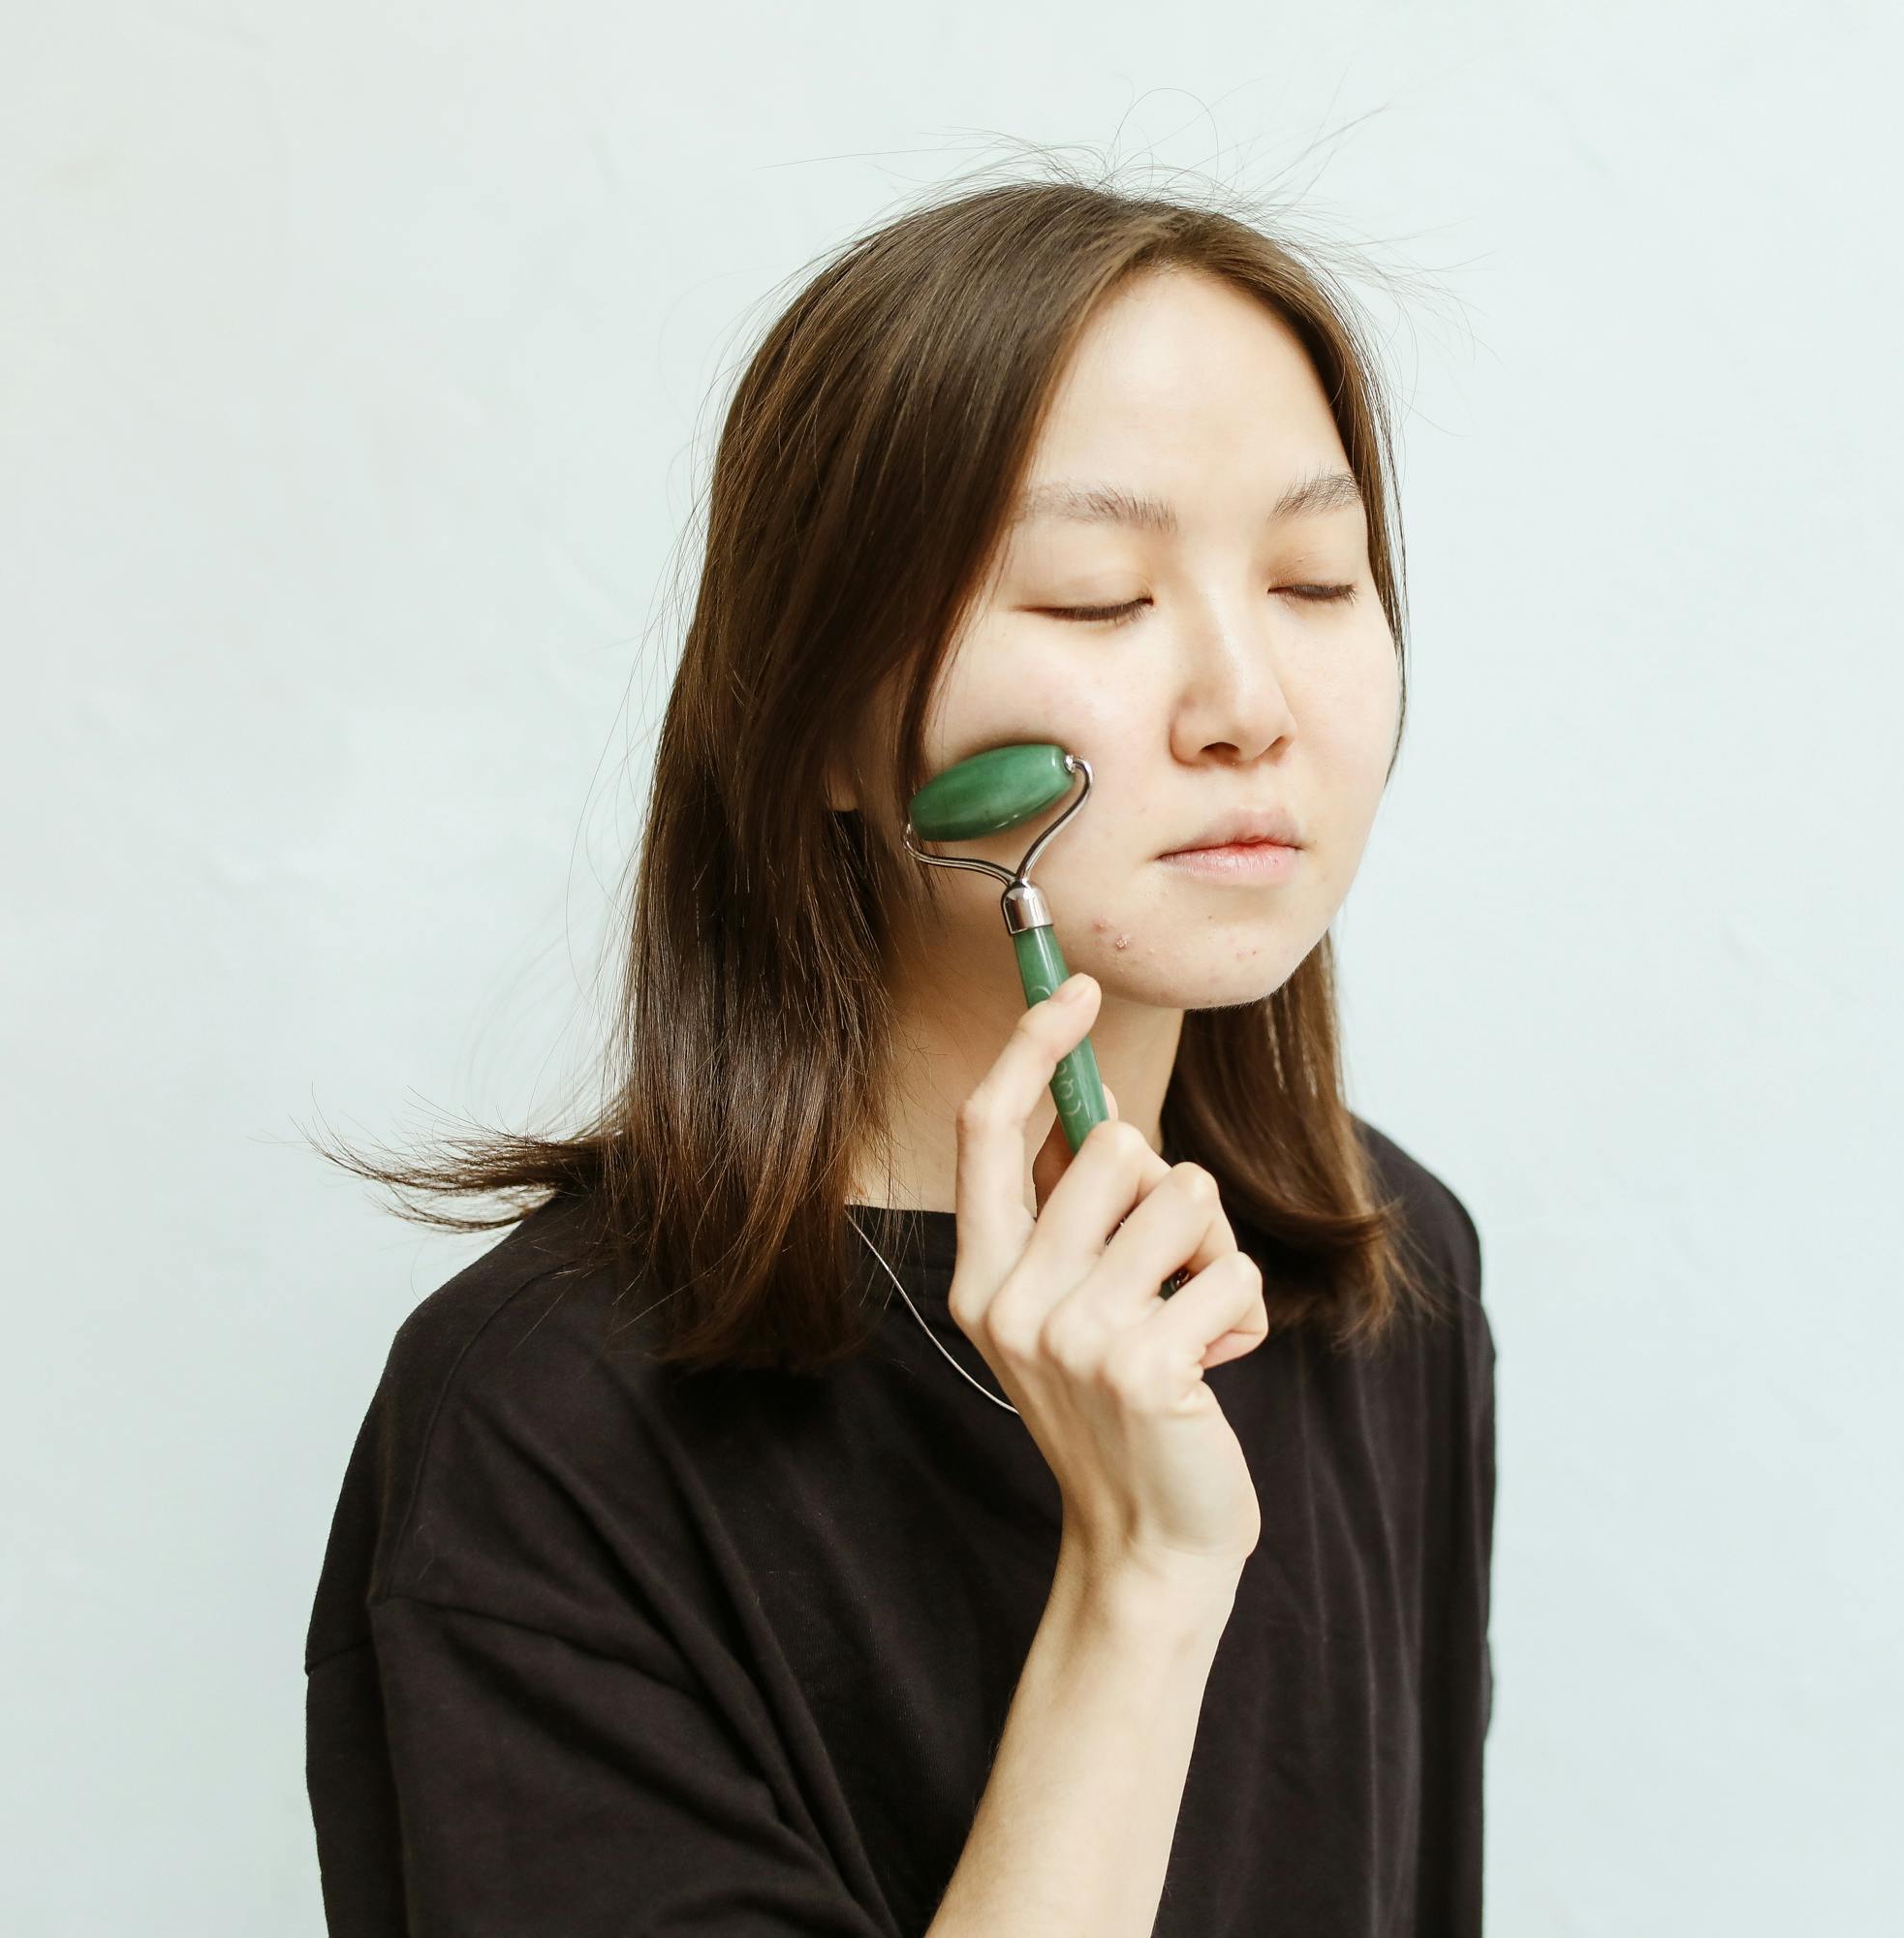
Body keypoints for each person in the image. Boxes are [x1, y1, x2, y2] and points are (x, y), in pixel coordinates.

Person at [300, 163, 1497, 1938]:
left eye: (1318, 581)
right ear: (828, 730)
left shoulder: (1384, 1274)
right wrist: (1144, 1584)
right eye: (1099, 599)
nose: (1250, 704)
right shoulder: (543, 1433)